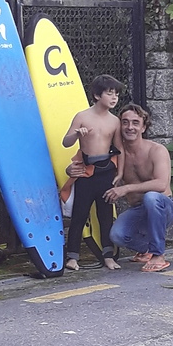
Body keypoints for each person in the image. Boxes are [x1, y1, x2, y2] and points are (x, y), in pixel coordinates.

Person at [103, 103, 173, 272]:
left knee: (150, 197)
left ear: (143, 127)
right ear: (119, 125)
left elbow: (161, 184)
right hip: (138, 210)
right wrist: (73, 168)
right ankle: (146, 251)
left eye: (135, 123)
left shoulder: (157, 150)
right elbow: (90, 160)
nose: (130, 127)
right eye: (125, 122)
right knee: (117, 235)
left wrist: (126, 188)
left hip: (164, 206)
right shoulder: (116, 154)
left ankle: (158, 255)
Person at [61, 75, 125, 272]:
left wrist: (119, 174)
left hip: (106, 171)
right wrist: (76, 134)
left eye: (116, 94)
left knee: (105, 214)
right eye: (109, 93)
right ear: (97, 95)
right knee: (79, 214)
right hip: (86, 171)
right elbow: (66, 142)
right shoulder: (82, 116)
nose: (114, 98)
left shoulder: (115, 121)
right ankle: (72, 257)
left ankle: (108, 256)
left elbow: (120, 149)